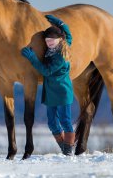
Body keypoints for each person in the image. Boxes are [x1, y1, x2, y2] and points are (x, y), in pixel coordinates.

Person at [21, 15, 75, 156]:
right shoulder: (64, 42)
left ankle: (68, 150)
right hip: (51, 92)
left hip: (62, 92)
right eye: (47, 40)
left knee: (65, 121)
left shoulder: (61, 55)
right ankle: (64, 147)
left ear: (59, 40)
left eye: (52, 40)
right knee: (52, 123)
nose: (49, 43)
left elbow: (47, 70)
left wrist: (32, 58)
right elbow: (67, 32)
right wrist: (59, 22)